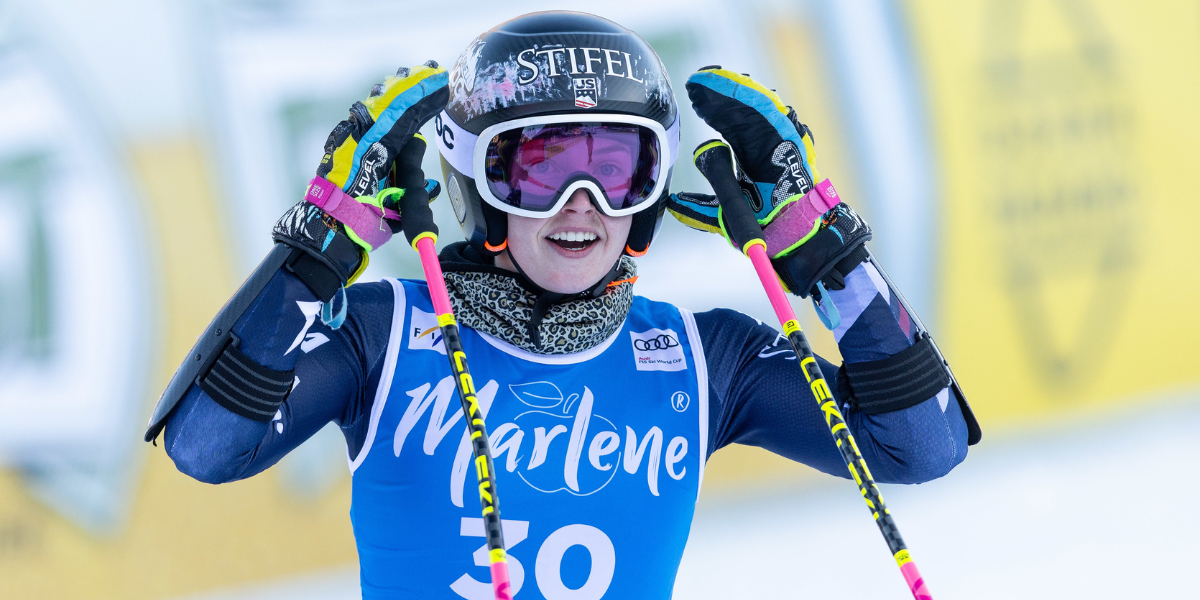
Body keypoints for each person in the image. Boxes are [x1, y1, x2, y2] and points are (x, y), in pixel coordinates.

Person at [147, 11, 980, 600]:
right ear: (480, 185)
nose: (583, 203)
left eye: (617, 168)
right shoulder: (384, 333)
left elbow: (922, 445)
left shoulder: (708, 359)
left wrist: (829, 256)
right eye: (541, 168)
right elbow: (206, 446)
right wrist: (316, 255)